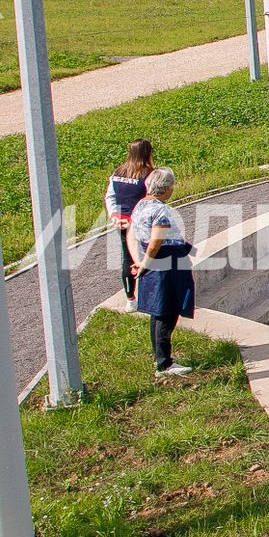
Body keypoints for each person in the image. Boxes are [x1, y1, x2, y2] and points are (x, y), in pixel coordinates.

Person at [128, 166, 195, 374]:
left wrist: (139, 261)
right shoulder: (161, 210)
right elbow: (156, 242)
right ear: (166, 189)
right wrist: (145, 263)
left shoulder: (140, 206)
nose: (172, 190)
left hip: (152, 263)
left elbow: (132, 235)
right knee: (168, 310)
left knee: (157, 311)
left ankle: (159, 357)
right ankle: (164, 364)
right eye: (171, 186)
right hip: (168, 265)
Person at [103, 139, 156, 300]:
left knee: (127, 258)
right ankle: (150, 296)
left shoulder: (117, 173)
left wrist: (115, 216)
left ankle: (130, 298)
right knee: (149, 256)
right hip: (142, 223)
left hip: (122, 222)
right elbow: (153, 199)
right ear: (147, 153)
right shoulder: (150, 174)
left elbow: (110, 196)